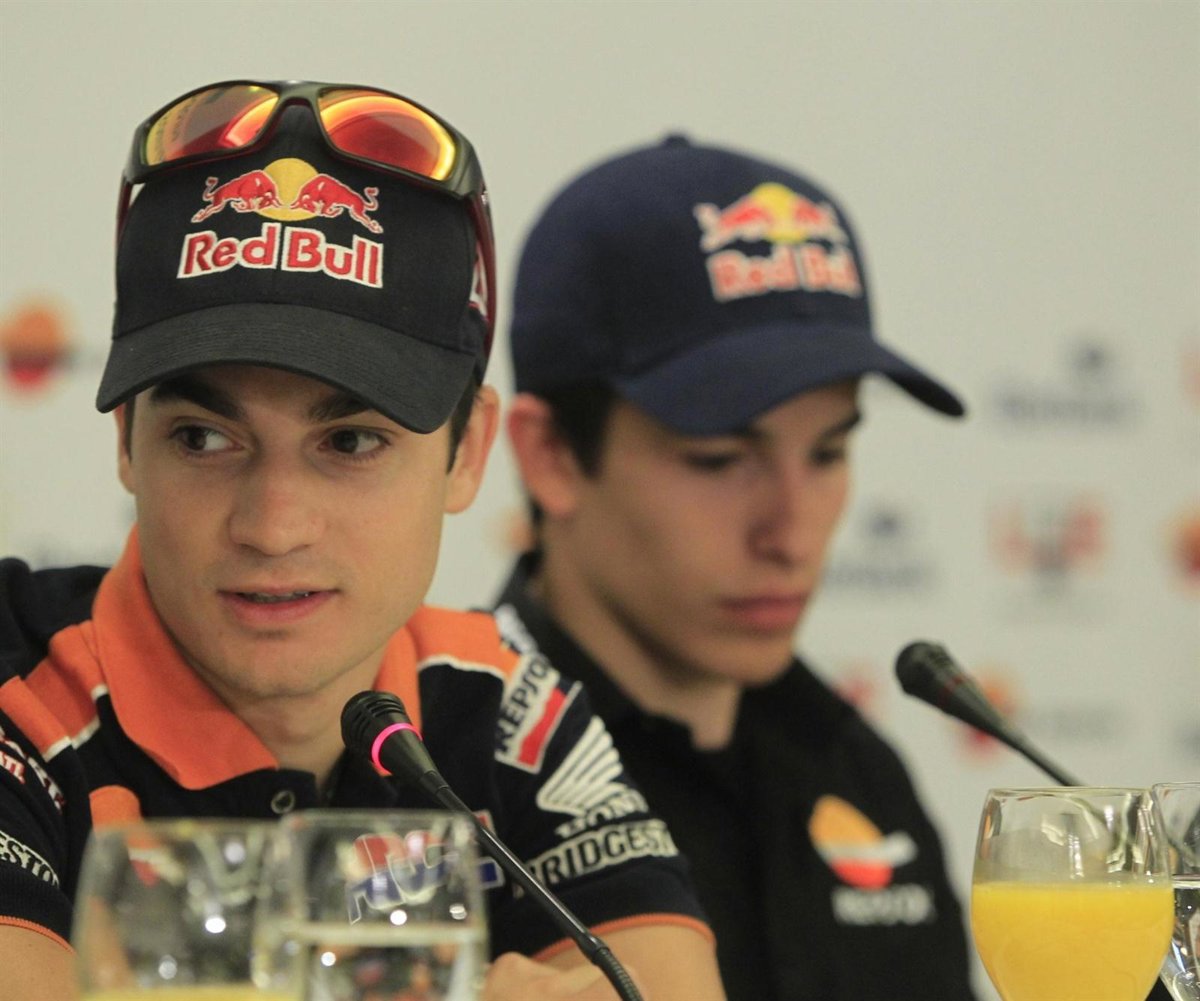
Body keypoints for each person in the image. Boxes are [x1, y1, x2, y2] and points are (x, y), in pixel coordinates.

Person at [0, 82, 725, 1001]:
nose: (273, 527)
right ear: (126, 442)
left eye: (350, 443)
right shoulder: (18, 702)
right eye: (204, 438)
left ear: (468, 452)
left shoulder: (505, 708)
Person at [497, 135, 979, 1000]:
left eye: (828, 452)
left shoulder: (855, 764)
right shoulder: (448, 790)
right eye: (721, 460)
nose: (791, 533)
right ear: (551, 456)